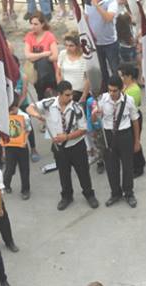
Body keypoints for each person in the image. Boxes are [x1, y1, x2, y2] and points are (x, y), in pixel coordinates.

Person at [26, 80, 99, 210]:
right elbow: (29, 108)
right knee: (63, 174)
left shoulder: (76, 108)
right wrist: (37, 115)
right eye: (67, 95)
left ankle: (89, 194)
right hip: (59, 148)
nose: (70, 97)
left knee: (83, 173)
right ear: (59, 94)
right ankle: (66, 196)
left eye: (71, 94)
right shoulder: (48, 104)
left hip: (76, 146)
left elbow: (83, 130)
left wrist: (66, 137)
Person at [97, 75, 140, 208]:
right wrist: (95, 114)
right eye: (109, 90)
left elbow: (135, 121)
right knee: (111, 166)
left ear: (121, 89)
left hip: (125, 134)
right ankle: (115, 193)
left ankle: (129, 193)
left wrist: (137, 141)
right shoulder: (102, 99)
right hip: (108, 135)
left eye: (115, 90)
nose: (112, 93)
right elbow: (95, 119)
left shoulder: (129, 100)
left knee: (127, 166)